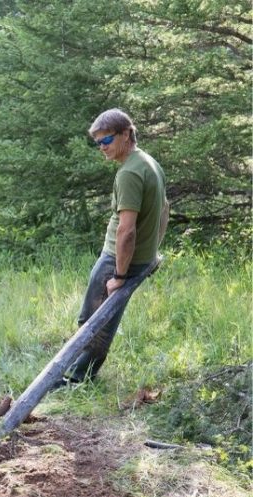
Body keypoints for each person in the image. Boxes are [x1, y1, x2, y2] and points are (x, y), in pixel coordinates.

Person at [58, 108, 169, 387]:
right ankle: (79, 373)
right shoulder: (150, 163)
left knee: (93, 321)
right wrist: (153, 250)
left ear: (126, 134)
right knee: (101, 319)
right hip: (137, 260)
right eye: (97, 143)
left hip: (116, 261)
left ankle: (76, 378)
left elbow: (126, 230)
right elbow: (164, 211)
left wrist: (118, 275)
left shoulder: (129, 173)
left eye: (106, 141)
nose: (101, 148)